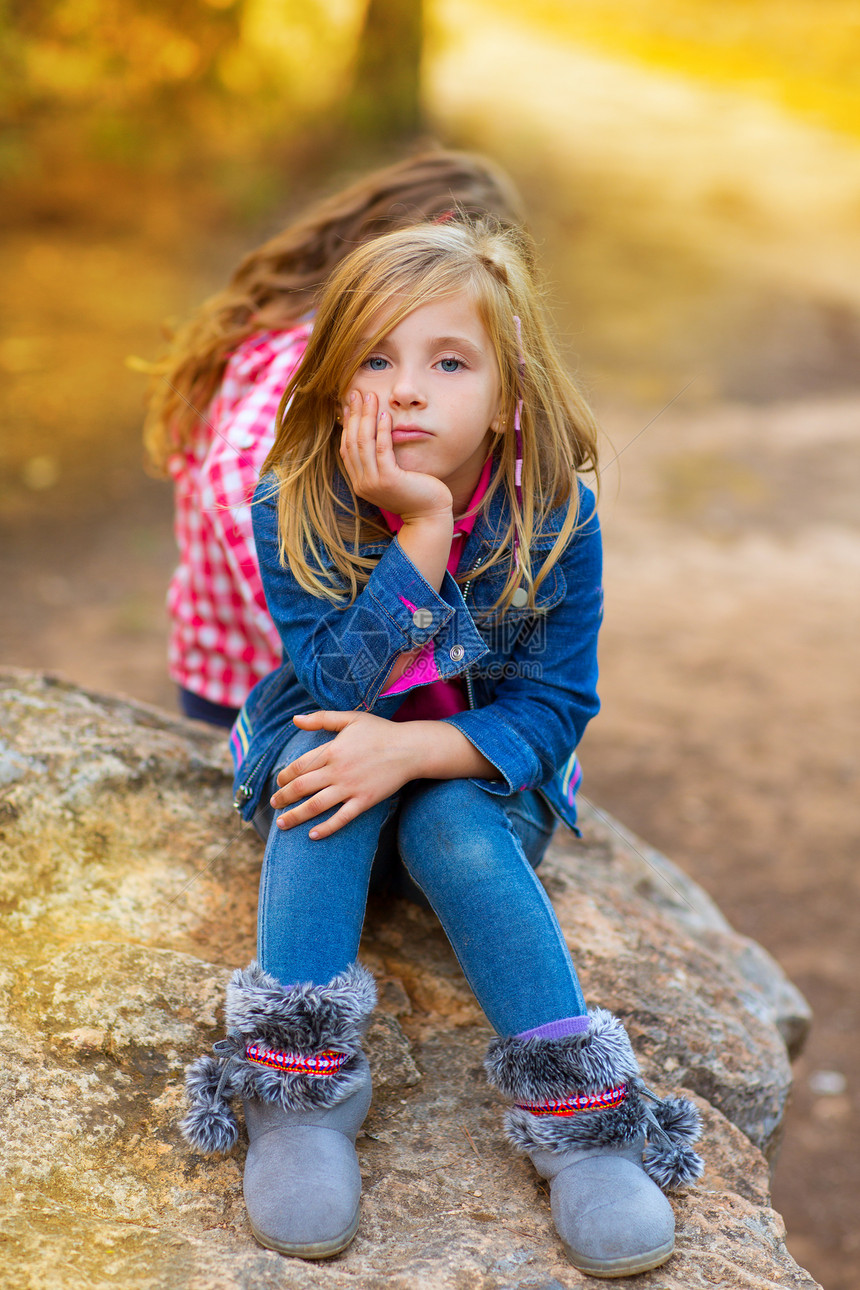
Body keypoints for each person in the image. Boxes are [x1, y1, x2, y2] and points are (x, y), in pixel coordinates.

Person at [180, 218, 703, 1276]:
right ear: (331, 385)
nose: (406, 389)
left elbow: (556, 705)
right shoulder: (295, 502)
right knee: (326, 782)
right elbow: (332, 689)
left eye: (446, 361)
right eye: (374, 358)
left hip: (476, 783)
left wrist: (417, 755)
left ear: (507, 395)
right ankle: (298, 1093)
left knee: (453, 824)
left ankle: (586, 1122)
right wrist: (416, 534)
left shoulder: (556, 518)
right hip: (332, 757)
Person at [143, 148, 525, 729]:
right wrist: (315, 612)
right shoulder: (326, 345)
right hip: (254, 680)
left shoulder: (307, 319)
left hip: (218, 653)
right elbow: (238, 471)